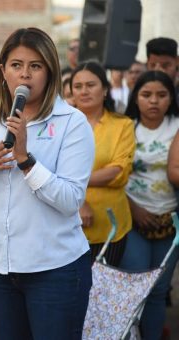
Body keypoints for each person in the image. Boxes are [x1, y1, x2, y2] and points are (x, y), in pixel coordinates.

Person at [0, 27, 95, 340]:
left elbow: (71, 200)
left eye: (35, 66)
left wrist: (25, 159)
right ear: (2, 71)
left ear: (50, 72)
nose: (25, 75)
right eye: (17, 65)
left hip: (55, 269)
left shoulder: (72, 123)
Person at [120, 70, 179, 340]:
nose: (153, 101)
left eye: (161, 95)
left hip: (171, 220)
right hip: (133, 217)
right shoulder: (125, 127)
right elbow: (115, 174)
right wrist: (135, 209)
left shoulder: (177, 126)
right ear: (136, 97)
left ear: (171, 98)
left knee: (157, 290)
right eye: (146, 95)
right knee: (135, 287)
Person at [70, 61, 135, 265]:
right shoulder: (62, 125)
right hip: (67, 223)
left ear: (105, 90)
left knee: (101, 294)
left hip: (111, 225)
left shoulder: (122, 125)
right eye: (78, 86)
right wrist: (79, 201)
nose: (84, 91)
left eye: (91, 85)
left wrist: (71, 182)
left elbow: (118, 172)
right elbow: (49, 171)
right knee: (69, 293)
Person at [146, 37, 178, 105]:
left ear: (177, 62)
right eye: (153, 65)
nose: (159, 70)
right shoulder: (138, 93)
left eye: (165, 66)